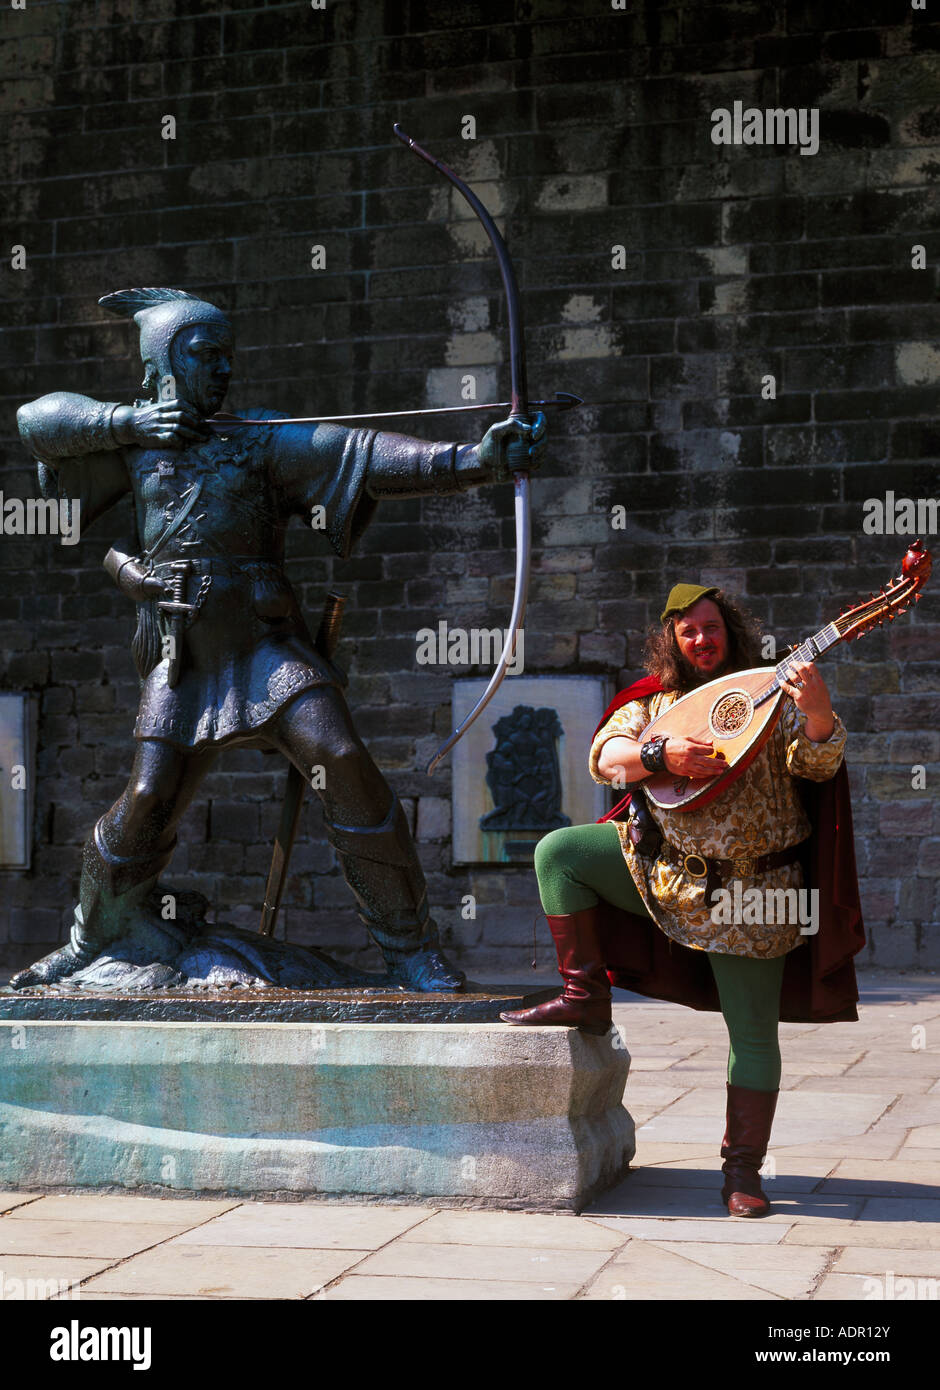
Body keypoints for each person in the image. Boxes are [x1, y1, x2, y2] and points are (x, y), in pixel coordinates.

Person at [14, 287, 545, 993]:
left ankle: (410, 950)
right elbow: (34, 421)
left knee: (340, 756)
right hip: (183, 658)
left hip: (266, 651)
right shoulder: (134, 444)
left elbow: (361, 451)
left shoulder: (258, 439)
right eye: (206, 357)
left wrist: (475, 460)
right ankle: (91, 936)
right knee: (147, 798)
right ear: (163, 364)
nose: (224, 370)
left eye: (228, 357)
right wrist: (127, 422)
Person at [501, 582, 865, 1217]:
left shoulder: (774, 694)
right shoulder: (659, 703)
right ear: (671, 638)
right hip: (670, 874)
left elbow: (817, 766)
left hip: (754, 896)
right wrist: (657, 752)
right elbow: (605, 759)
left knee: (752, 1037)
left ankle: (743, 1172)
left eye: (713, 627)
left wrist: (818, 711)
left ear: (732, 631)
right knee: (560, 851)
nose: (703, 638)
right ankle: (584, 995)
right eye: (689, 630)